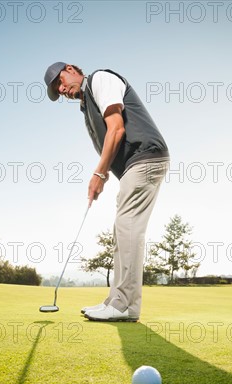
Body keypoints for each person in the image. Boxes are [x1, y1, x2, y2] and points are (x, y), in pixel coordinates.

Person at [44, 63, 169, 322]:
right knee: (121, 231)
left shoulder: (100, 79)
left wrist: (99, 174)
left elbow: (117, 128)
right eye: (58, 90)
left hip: (145, 157)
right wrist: (103, 174)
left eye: (61, 81)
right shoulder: (86, 104)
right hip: (135, 165)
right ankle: (115, 301)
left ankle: (125, 306)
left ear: (71, 69)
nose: (63, 89)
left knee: (128, 226)